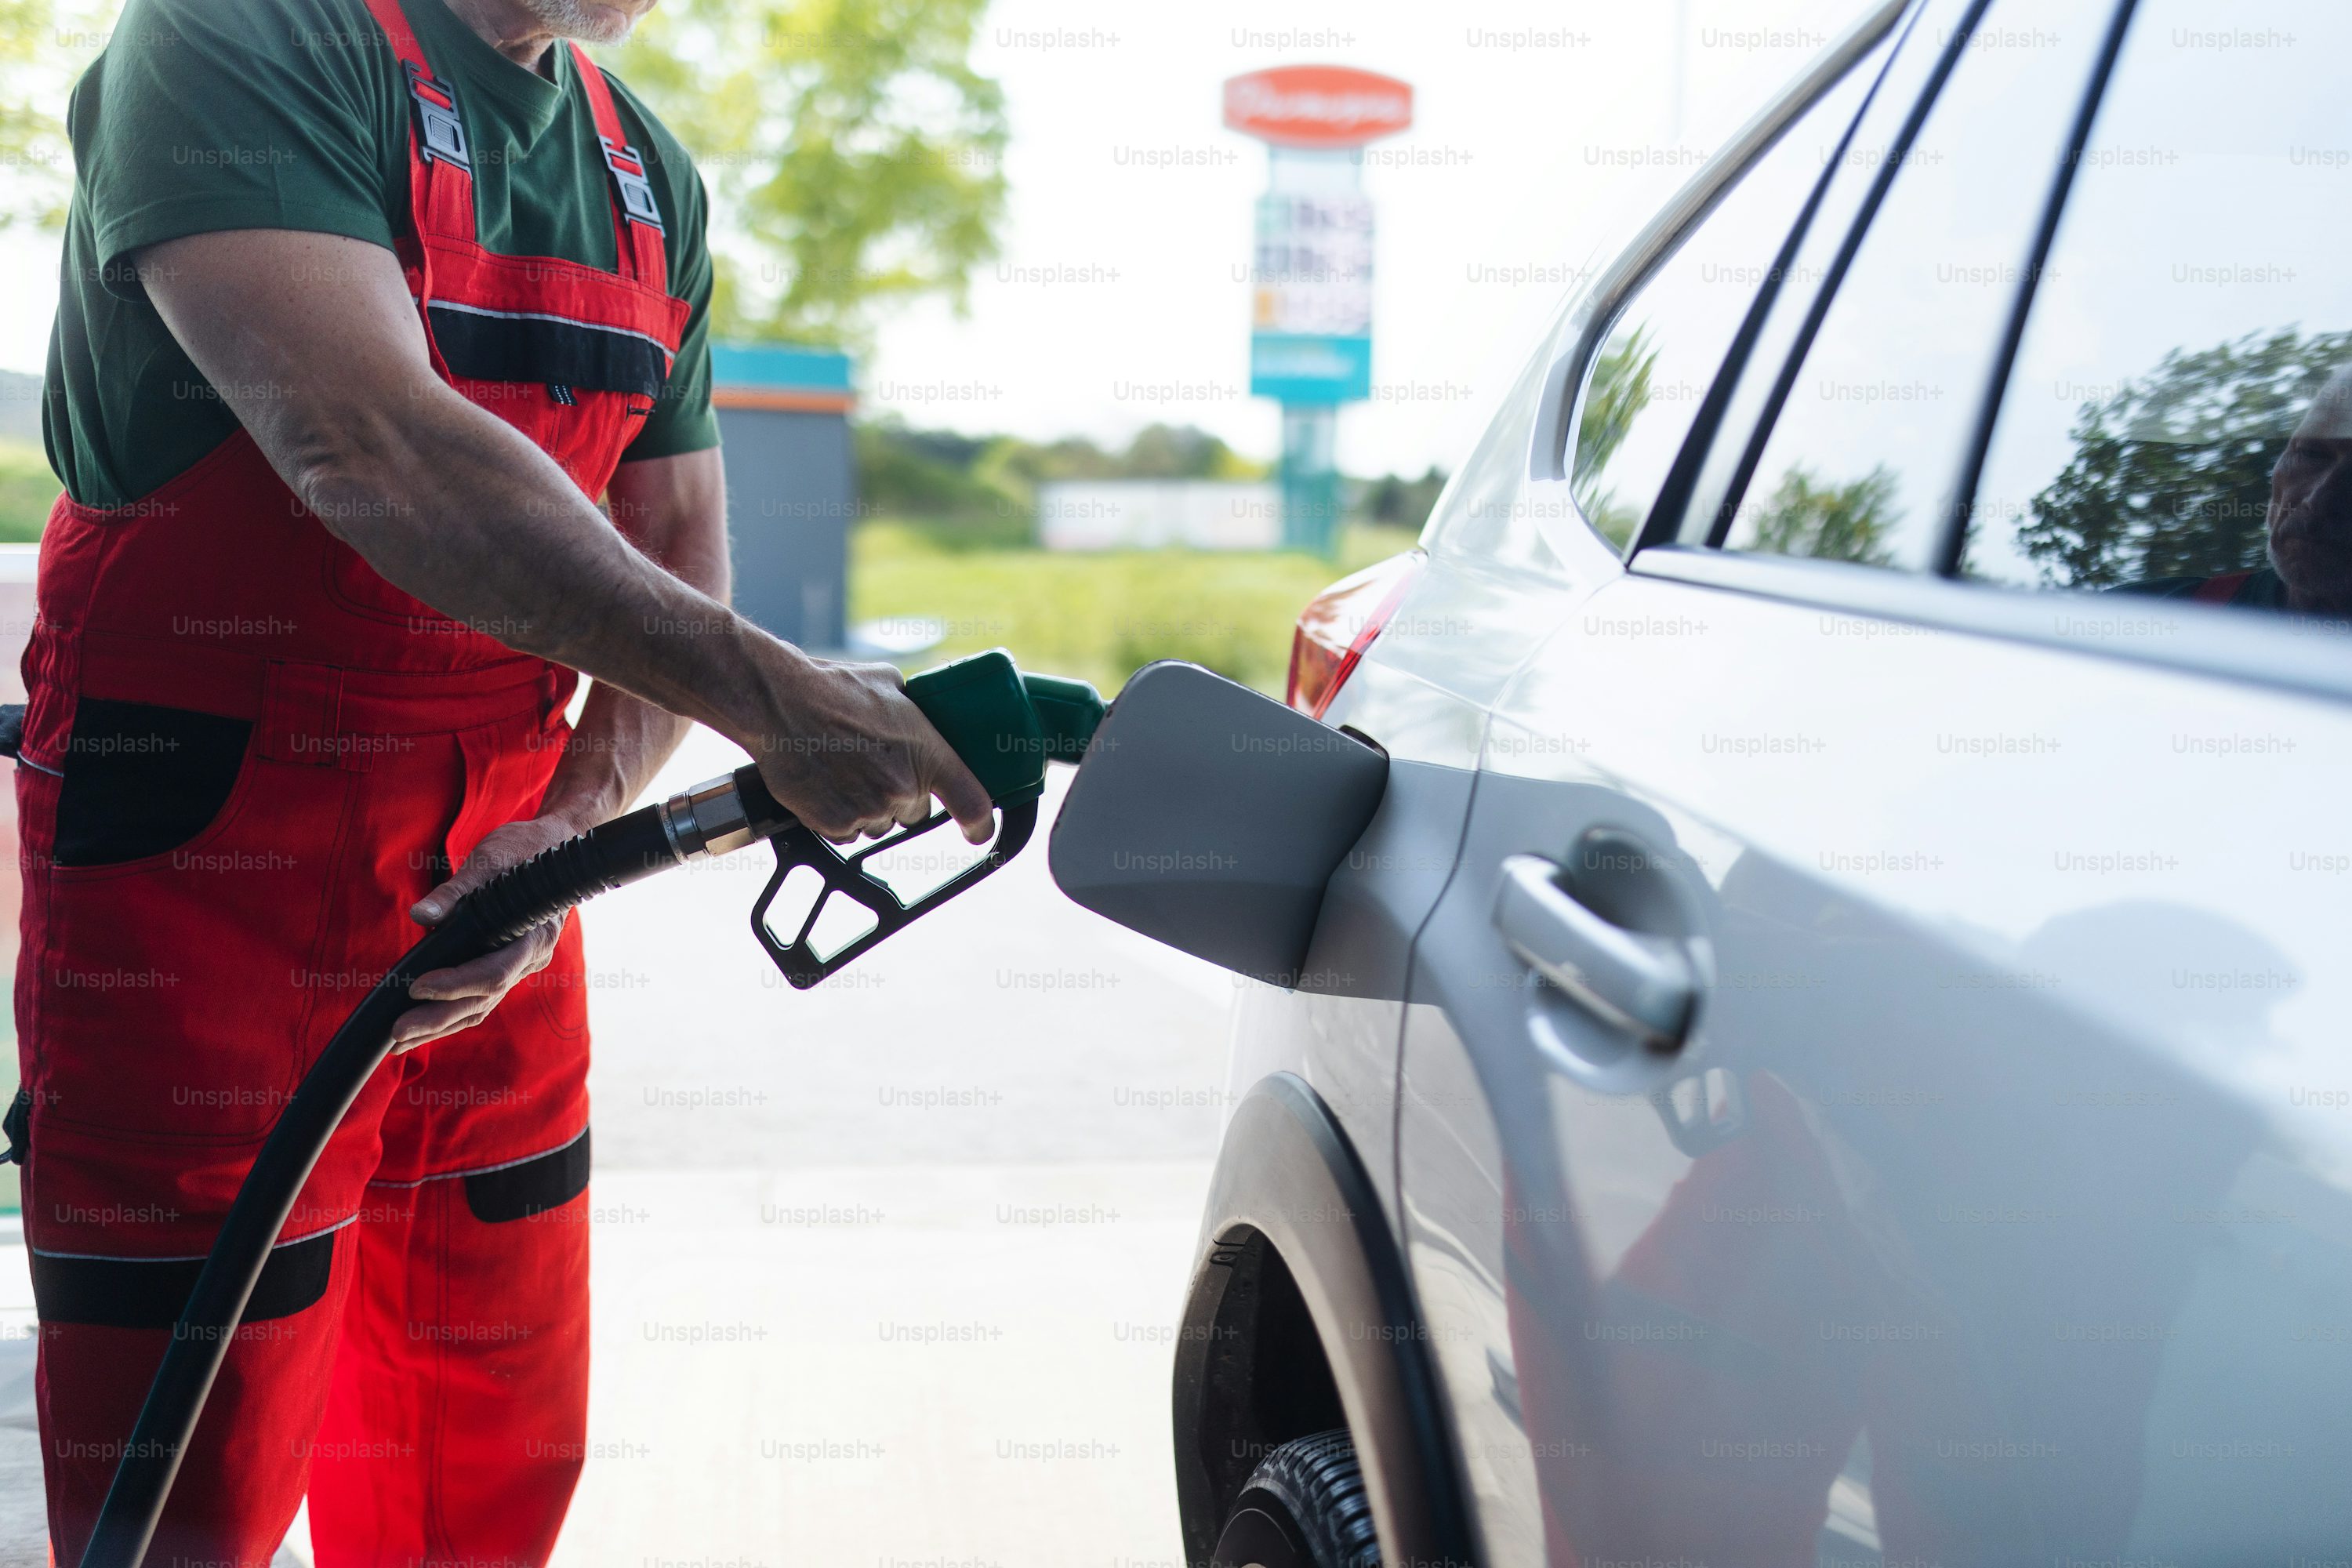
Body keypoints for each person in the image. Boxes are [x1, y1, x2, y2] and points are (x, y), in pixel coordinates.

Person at [8, 0, 992, 1563]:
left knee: (485, 1453)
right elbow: (366, 443)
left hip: (508, 886)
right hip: (212, 881)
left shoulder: (644, 172)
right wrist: (776, 704)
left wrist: (569, 830)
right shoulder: (237, 39)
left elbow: (673, 545)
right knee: (187, 1484)